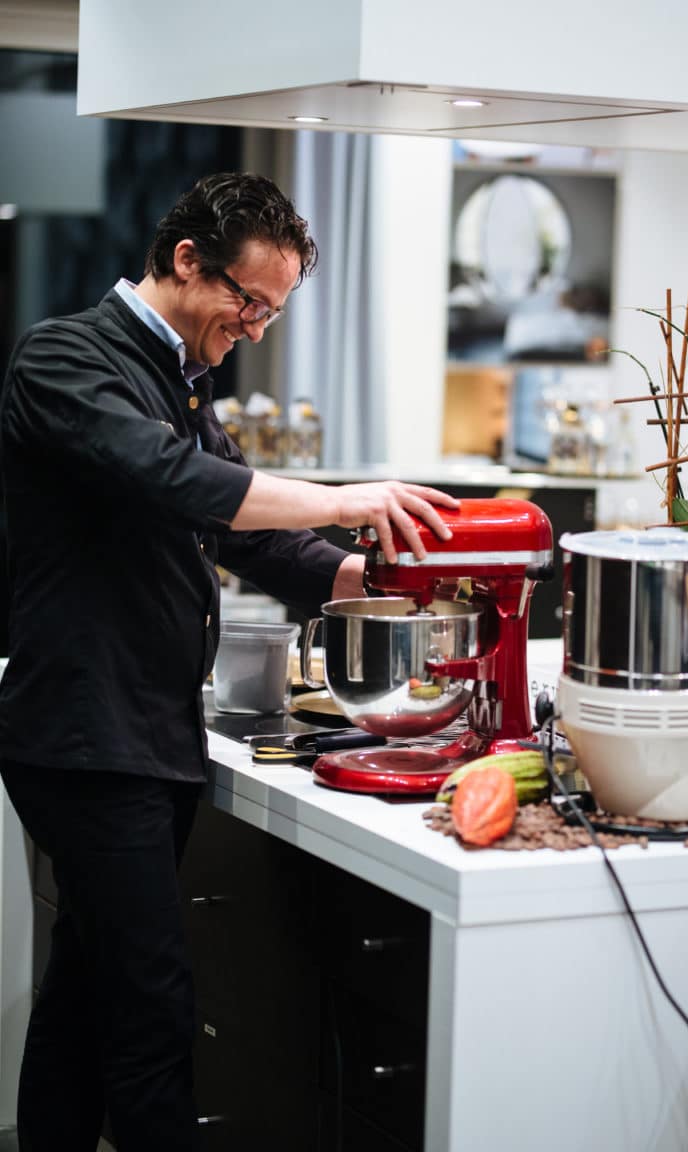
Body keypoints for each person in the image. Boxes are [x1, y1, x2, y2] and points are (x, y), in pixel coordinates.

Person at [0, 171, 458, 1152]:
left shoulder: (176, 378)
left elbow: (252, 536)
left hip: (142, 737)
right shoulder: (64, 358)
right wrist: (345, 497)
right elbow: (180, 482)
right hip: (88, 738)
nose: (254, 326)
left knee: (86, 994)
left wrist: (380, 581)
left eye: (272, 312)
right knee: (152, 1010)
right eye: (248, 301)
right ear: (185, 261)